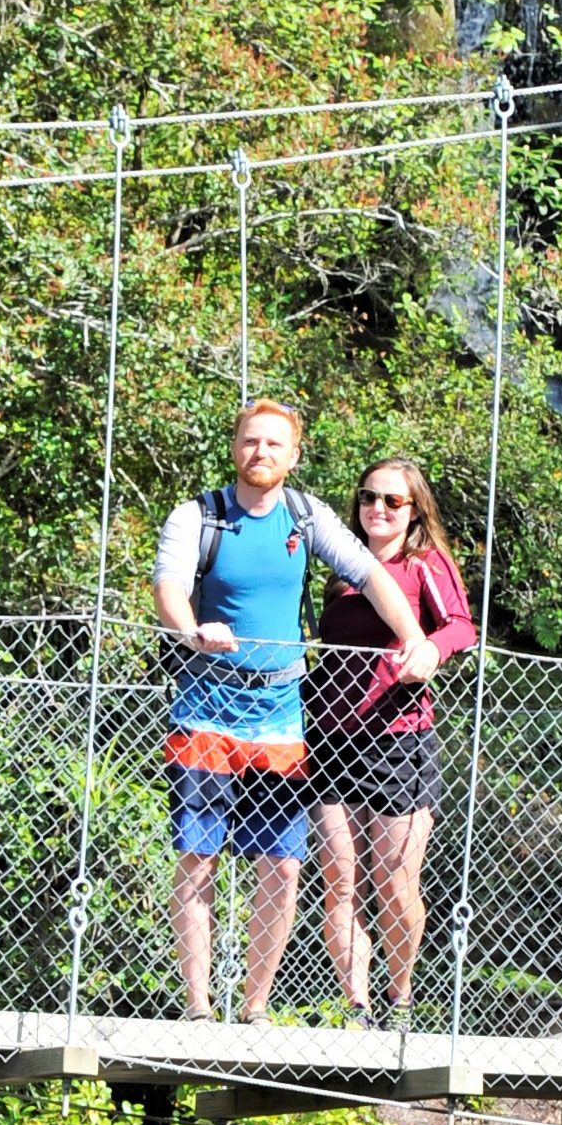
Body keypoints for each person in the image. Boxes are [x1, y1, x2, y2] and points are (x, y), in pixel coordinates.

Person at [152, 400, 435, 1022]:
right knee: (199, 857)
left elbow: (371, 574)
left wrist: (414, 637)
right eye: (251, 442)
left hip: (279, 715)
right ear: (235, 447)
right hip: (206, 706)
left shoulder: (306, 517)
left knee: (282, 866)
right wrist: (191, 628)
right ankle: (200, 1008)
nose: (262, 453)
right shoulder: (198, 517)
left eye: (275, 445)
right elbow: (168, 585)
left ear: (294, 455)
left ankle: (254, 1009)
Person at [307, 458, 474, 1028]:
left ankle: (400, 998)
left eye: (392, 500)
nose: (377, 507)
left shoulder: (422, 563)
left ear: (414, 510)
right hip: (330, 740)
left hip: (399, 738)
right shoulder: (341, 565)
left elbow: (460, 626)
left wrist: (429, 651)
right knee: (339, 876)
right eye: (368, 496)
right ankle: (358, 1007)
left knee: (395, 880)